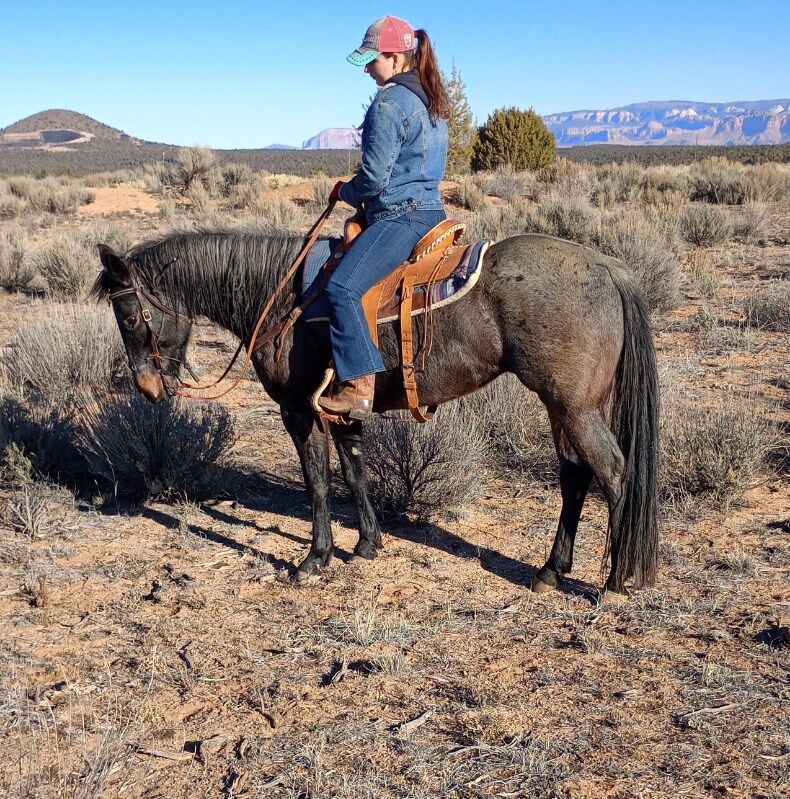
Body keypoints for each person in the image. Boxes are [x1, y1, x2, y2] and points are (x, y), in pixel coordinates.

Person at [318, 15, 450, 419]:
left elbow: (374, 179)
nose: (367, 69)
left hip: (401, 217)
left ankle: (359, 386)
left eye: (372, 60)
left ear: (394, 57)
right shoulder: (433, 102)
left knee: (341, 288)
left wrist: (345, 191)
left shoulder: (390, 103)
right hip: (434, 214)